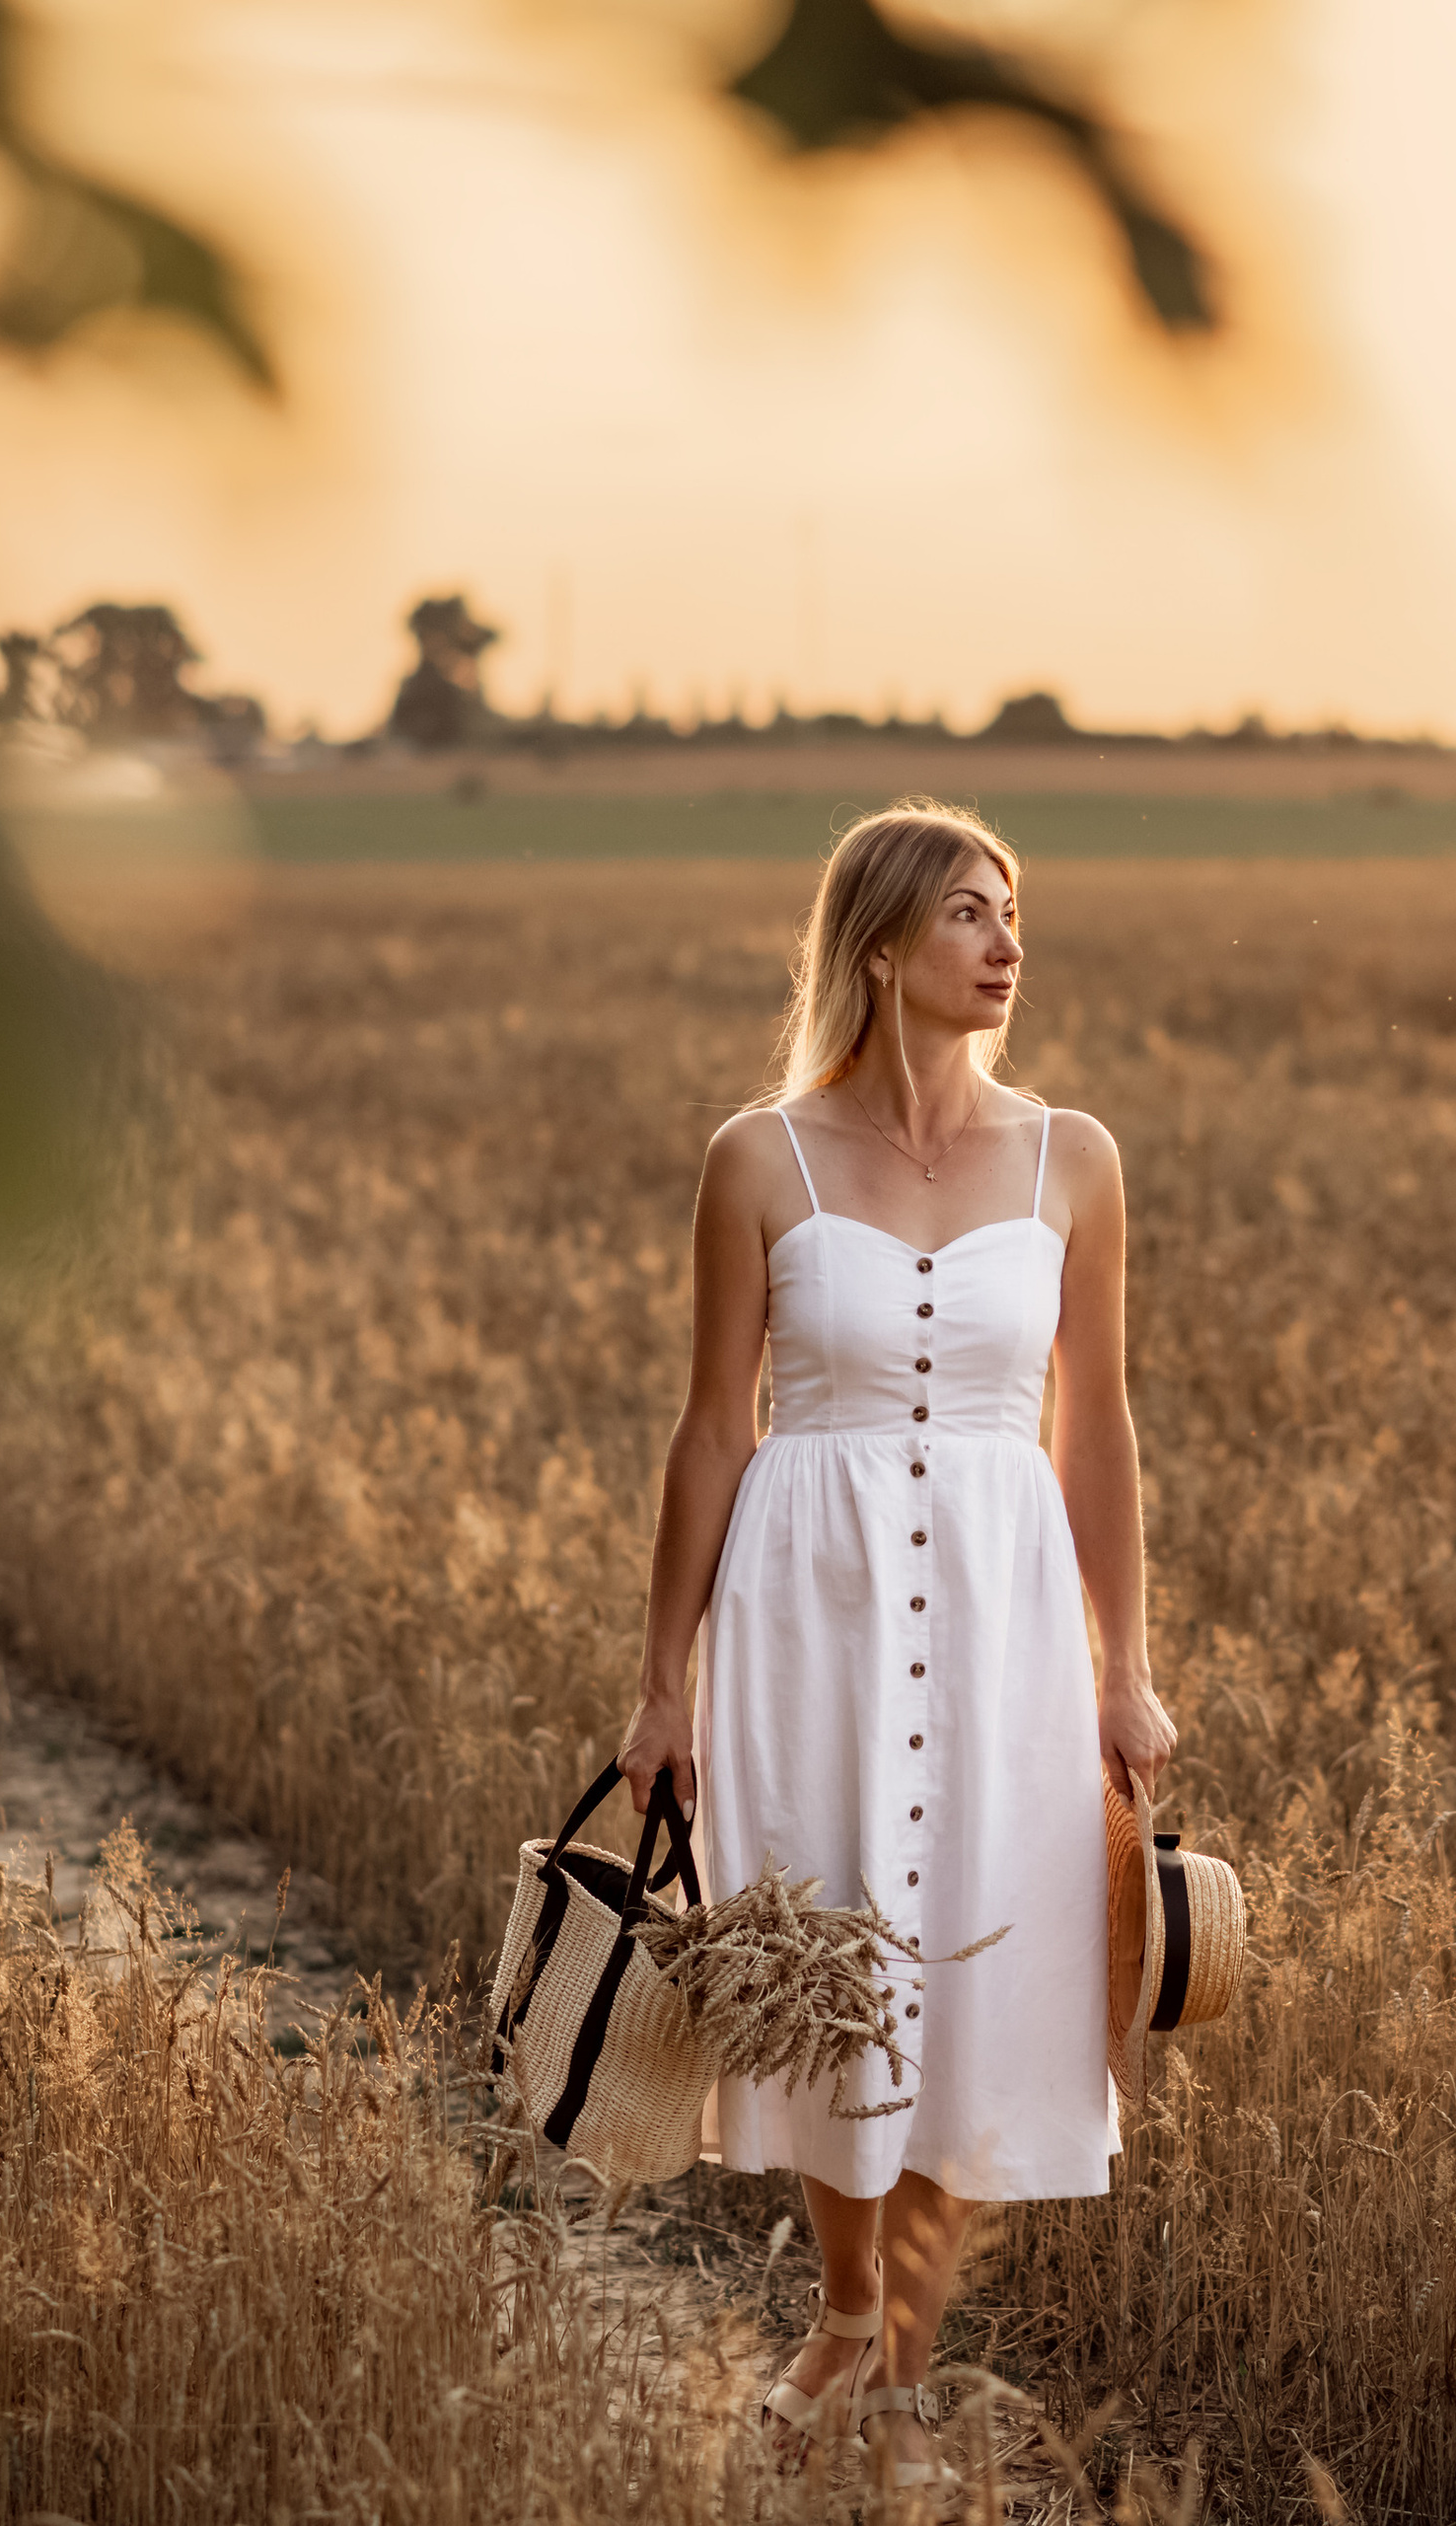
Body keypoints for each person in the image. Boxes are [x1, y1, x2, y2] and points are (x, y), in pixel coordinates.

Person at [616, 799, 1176, 2489]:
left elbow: (1099, 1428)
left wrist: (1126, 1664)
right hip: (813, 1596)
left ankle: (896, 2359)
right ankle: (849, 2309)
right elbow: (714, 1430)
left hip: (1009, 1606)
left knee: (987, 1960)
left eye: (1014, 914)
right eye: (969, 917)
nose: (1008, 944)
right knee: (836, 1942)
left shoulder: (1075, 1155)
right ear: (878, 947)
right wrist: (663, 1680)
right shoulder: (756, 1159)